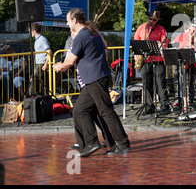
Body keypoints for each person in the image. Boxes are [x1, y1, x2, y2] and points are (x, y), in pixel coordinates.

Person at [54, 8, 130, 156]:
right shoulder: (93, 32)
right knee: (80, 110)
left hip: (95, 78)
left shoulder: (82, 36)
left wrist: (58, 66)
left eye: (68, 21)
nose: (67, 24)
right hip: (95, 78)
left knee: (106, 111)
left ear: (75, 20)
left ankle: (122, 143)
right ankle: (91, 143)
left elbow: (69, 62)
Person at [134, 10, 171, 115]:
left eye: (154, 20)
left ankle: (164, 105)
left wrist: (160, 45)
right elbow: (136, 42)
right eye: (150, 19)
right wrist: (137, 54)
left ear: (157, 20)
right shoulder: (141, 28)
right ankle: (149, 106)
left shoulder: (161, 29)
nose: (151, 21)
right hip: (145, 60)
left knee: (160, 83)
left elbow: (165, 44)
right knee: (147, 84)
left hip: (158, 60)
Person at [30, 23, 52, 94]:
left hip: (41, 63)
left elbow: (49, 51)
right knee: (41, 82)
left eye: (30, 31)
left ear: (34, 31)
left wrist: (46, 64)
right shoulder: (37, 40)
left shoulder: (42, 39)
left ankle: (31, 95)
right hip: (38, 63)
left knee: (35, 80)